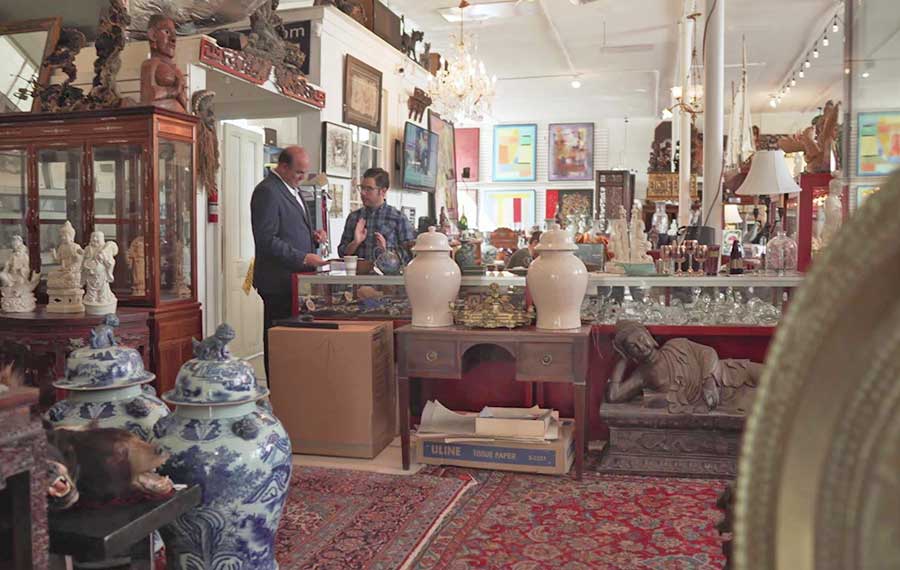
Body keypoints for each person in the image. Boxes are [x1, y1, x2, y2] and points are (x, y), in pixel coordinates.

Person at [251, 146, 328, 382]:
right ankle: (280, 392)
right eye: (298, 173)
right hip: (278, 281)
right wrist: (302, 257)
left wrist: (313, 236)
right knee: (278, 343)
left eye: (305, 172)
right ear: (282, 167)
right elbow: (266, 239)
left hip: (297, 281)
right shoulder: (267, 191)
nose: (303, 178)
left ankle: (295, 389)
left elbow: (289, 229)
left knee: (295, 343)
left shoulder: (292, 189)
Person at [338, 167, 417, 264]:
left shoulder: (398, 218)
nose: (363, 193)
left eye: (369, 189)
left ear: (383, 191)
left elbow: (411, 255)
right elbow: (341, 253)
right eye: (362, 188)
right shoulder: (354, 217)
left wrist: (386, 252)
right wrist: (355, 243)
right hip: (358, 277)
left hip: (387, 278)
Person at [140, 14, 187, 113]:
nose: (173, 39)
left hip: (180, 120)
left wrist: (180, 91)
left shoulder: (176, 69)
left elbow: (184, 102)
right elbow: (148, 96)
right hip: (160, 120)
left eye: (175, 34)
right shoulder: (151, 64)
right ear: (152, 35)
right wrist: (174, 91)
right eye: (167, 32)